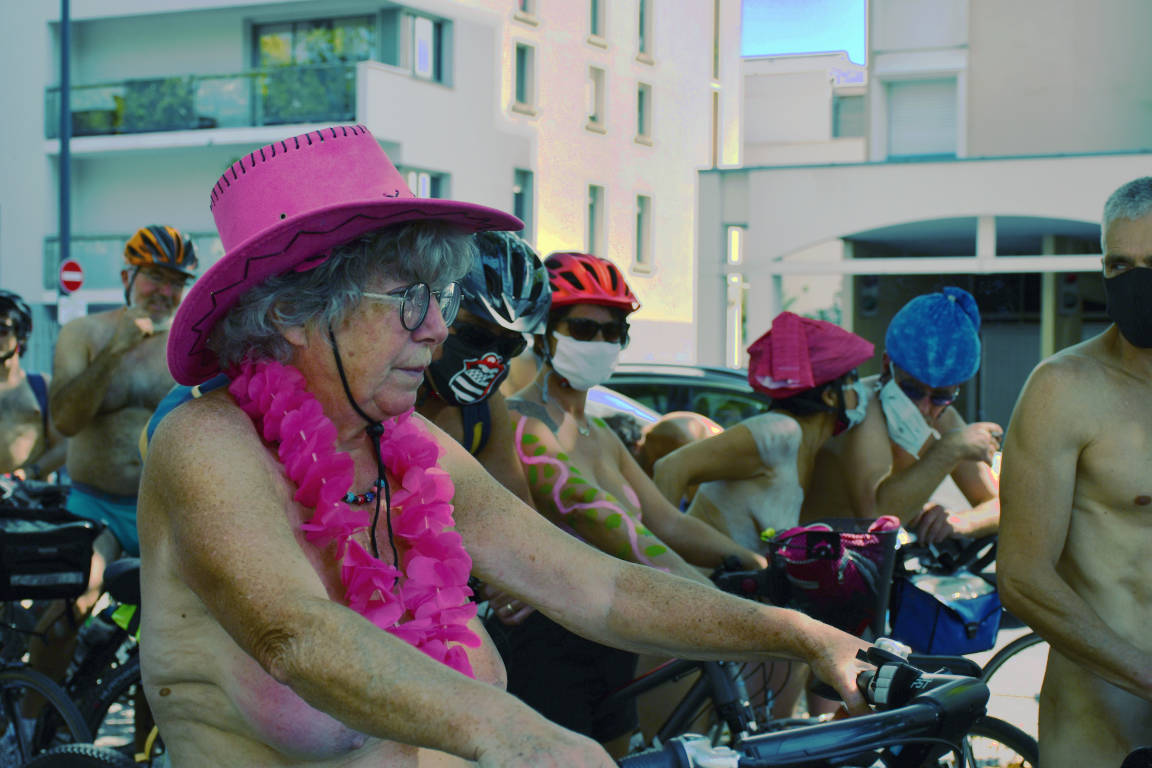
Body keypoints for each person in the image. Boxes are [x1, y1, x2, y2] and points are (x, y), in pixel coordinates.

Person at [141, 125, 869, 768]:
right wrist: (512, 730)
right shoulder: (206, 443)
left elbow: (600, 588)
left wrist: (805, 637)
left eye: (441, 299)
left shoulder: (411, 446)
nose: (436, 329)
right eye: (410, 299)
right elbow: (295, 634)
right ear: (292, 313)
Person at [501, 251, 769, 753]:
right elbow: (607, 525)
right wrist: (713, 599)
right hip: (547, 643)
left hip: (613, 634)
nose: (601, 343)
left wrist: (757, 563)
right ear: (544, 333)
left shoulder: (599, 432)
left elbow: (667, 521)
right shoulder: (523, 422)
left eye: (614, 332)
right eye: (584, 328)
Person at [997, 176, 1152, 768]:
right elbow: (1022, 576)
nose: (1135, 281)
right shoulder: (1063, 389)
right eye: (1120, 264)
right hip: (1100, 729)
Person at [651, 311, 875, 718]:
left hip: (734, 614)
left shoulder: (809, 449)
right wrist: (655, 566)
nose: (859, 390)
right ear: (830, 396)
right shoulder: (779, 432)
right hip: (689, 609)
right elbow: (670, 469)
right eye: (851, 380)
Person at [27, 224, 197, 719]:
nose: (165, 291)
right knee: (69, 605)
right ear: (127, 277)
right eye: (155, 277)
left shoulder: (189, 346)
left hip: (161, 509)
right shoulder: (84, 334)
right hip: (94, 502)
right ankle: (27, 727)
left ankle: (147, 744)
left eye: (176, 282)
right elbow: (66, 420)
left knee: (167, 631)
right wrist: (118, 347)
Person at [801, 286, 1002, 544]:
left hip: (865, 561)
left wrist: (963, 522)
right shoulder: (863, 409)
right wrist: (948, 451)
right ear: (887, 366)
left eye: (940, 396)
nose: (924, 408)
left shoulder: (945, 418)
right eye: (912, 390)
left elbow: (1002, 505)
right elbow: (875, 521)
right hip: (812, 556)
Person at [0, 290, 65, 480]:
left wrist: (28, 474)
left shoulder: (42, 386)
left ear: (21, 334)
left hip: (29, 493)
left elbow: (63, 446)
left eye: (2, 330)